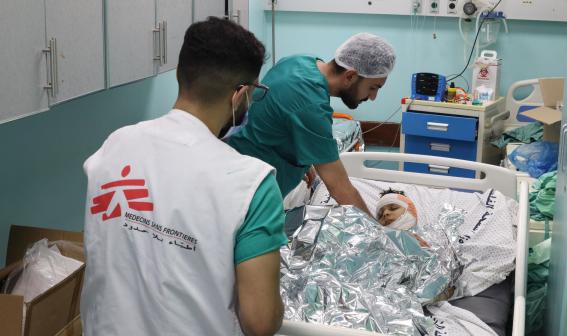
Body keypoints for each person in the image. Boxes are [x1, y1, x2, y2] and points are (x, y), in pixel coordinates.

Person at [81, 17, 287, 336]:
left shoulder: (114, 146)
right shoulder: (250, 183)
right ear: (240, 95)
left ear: (180, 74)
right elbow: (260, 323)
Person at [227, 33, 396, 216]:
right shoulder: (310, 105)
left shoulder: (298, 61)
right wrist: (380, 231)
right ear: (350, 76)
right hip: (247, 193)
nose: (372, 97)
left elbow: (278, 117)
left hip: (237, 165)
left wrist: (305, 162)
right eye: (373, 88)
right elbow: (340, 188)